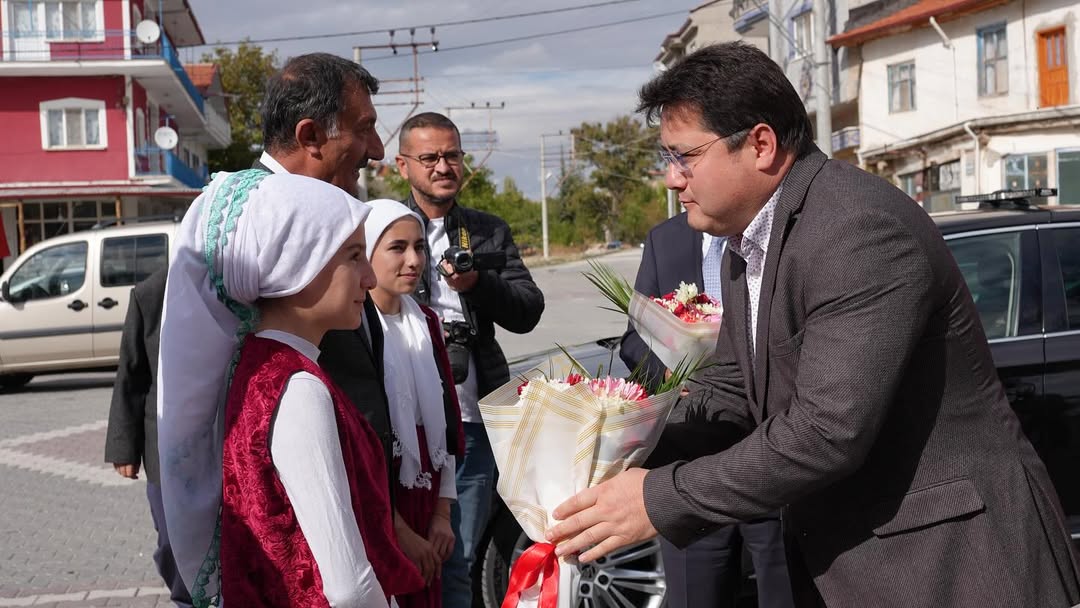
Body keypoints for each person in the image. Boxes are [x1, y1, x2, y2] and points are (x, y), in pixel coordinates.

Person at [548, 42, 1080, 607]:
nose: (672, 181)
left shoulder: (856, 229)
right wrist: (613, 437)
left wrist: (656, 499)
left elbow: (826, 433)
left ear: (760, 144)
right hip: (858, 562)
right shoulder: (748, 241)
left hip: (953, 567)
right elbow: (731, 388)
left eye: (686, 157)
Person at [158, 170, 423, 606]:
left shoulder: (264, 365)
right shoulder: (298, 387)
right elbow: (348, 587)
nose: (369, 278)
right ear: (298, 261)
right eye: (354, 256)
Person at [394, 112, 545, 607]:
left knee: (457, 555)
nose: (443, 166)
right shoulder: (381, 228)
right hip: (404, 424)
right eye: (430, 157)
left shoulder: (486, 231)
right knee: (401, 553)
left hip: (471, 420)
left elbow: (528, 311)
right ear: (402, 166)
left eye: (453, 155)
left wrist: (479, 284)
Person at [620, 215, 794, 608]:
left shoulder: (771, 230)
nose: (676, 178)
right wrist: (665, 372)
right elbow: (634, 338)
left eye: (684, 159)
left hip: (773, 455)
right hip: (689, 463)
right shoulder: (665, 239)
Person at [250, 52, 401, 497]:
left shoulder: (321, 215)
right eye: (364, 129)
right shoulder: (246, 229)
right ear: (311, 136)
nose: (377, 150)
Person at [365, 199, 465, 607]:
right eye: (397, 247)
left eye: (420, 247)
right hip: (380, 506)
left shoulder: (425, 322)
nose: (413, 260)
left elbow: (445, 424)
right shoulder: (354, 329)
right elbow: (358, 448)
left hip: (426, 497)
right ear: (366, 250)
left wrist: (441, 515)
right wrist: (401, 533)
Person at [104, 267, 192, 608]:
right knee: (171, 542)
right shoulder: (151, 293)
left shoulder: (237, 290)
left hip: (223, 445)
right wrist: (124, 447)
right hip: (165, 451)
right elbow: (132, 374)